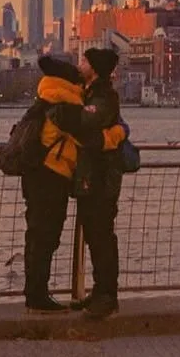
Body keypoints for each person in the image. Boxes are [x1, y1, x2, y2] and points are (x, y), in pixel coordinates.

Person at [21, 55, 88, 313]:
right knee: (47, 236)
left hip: (35, 175)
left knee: (36, 234)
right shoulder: (66, 106)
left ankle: (33, 291)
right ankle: (38, 295)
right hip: (53, 176)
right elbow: (85, 138)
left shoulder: (44, 99)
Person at [72, 46, 128, 319]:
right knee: (95, 236)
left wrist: (69, 113)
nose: (79, 64)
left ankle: (108, 297)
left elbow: (84, 121)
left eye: (83, 60)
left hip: (101, 180)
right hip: (90, 178)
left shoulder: (103, 96)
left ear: (94, 68)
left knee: (102, 237)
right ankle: (100, 291)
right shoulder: (91, 93)